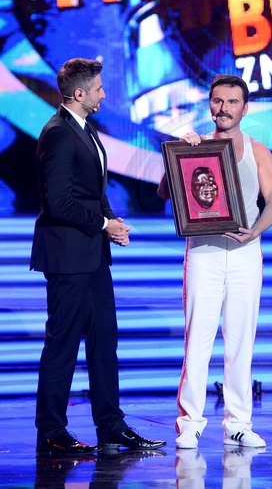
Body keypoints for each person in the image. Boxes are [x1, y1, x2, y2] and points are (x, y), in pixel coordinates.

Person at [30, 57, 166, 455]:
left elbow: (91, 191)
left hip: (92, 256)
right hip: (67, 257)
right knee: (63, 343)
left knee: (105, 340)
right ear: (79, 93)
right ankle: (51, 430)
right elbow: (60, 202)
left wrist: (112, 221)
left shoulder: (86, 129)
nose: (104, 94)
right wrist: (103, 224)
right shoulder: (57, 134)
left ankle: (111, 426)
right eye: (99, 89)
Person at [158, 74, 272, 449]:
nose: (224, 108)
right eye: (218, 101)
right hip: (203, 253)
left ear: (245, 108)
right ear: (209, 105)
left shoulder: (258, 150)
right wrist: (179, 156)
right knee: (197, 339)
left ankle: (238, 423)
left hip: (246, 254)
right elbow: (164, 192)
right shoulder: (195, 146)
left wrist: (254, 231)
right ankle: (190, 423)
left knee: (241, 341)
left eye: (232, 102)